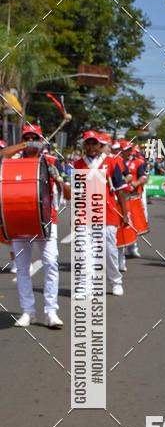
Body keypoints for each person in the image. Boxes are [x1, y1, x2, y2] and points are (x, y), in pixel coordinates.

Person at [12, 124, 70, 328]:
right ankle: (28, 311)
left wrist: (59, 178)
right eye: (27, 138)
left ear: (41, 139)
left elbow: (69, 194)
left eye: (34, 138)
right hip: (19, 220)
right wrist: (20, 146)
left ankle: (51, 311)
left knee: (51, 263)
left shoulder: (52, 161)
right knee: (21, 268)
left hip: (46, 221)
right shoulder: (12, 162)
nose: (31, 142)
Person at [73, 130, 130, 296]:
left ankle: (115, 281)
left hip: (108, 213)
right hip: (85, 214)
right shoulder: (78, 165)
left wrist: (124, 213)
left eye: (94, 143)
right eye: (88, 143)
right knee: (85, 252)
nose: (91, 147)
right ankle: (85, 286)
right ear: (84, 145)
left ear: (100, 145)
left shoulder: (111, 162)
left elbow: (119, 189)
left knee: (110, 251)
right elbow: (77, 192)